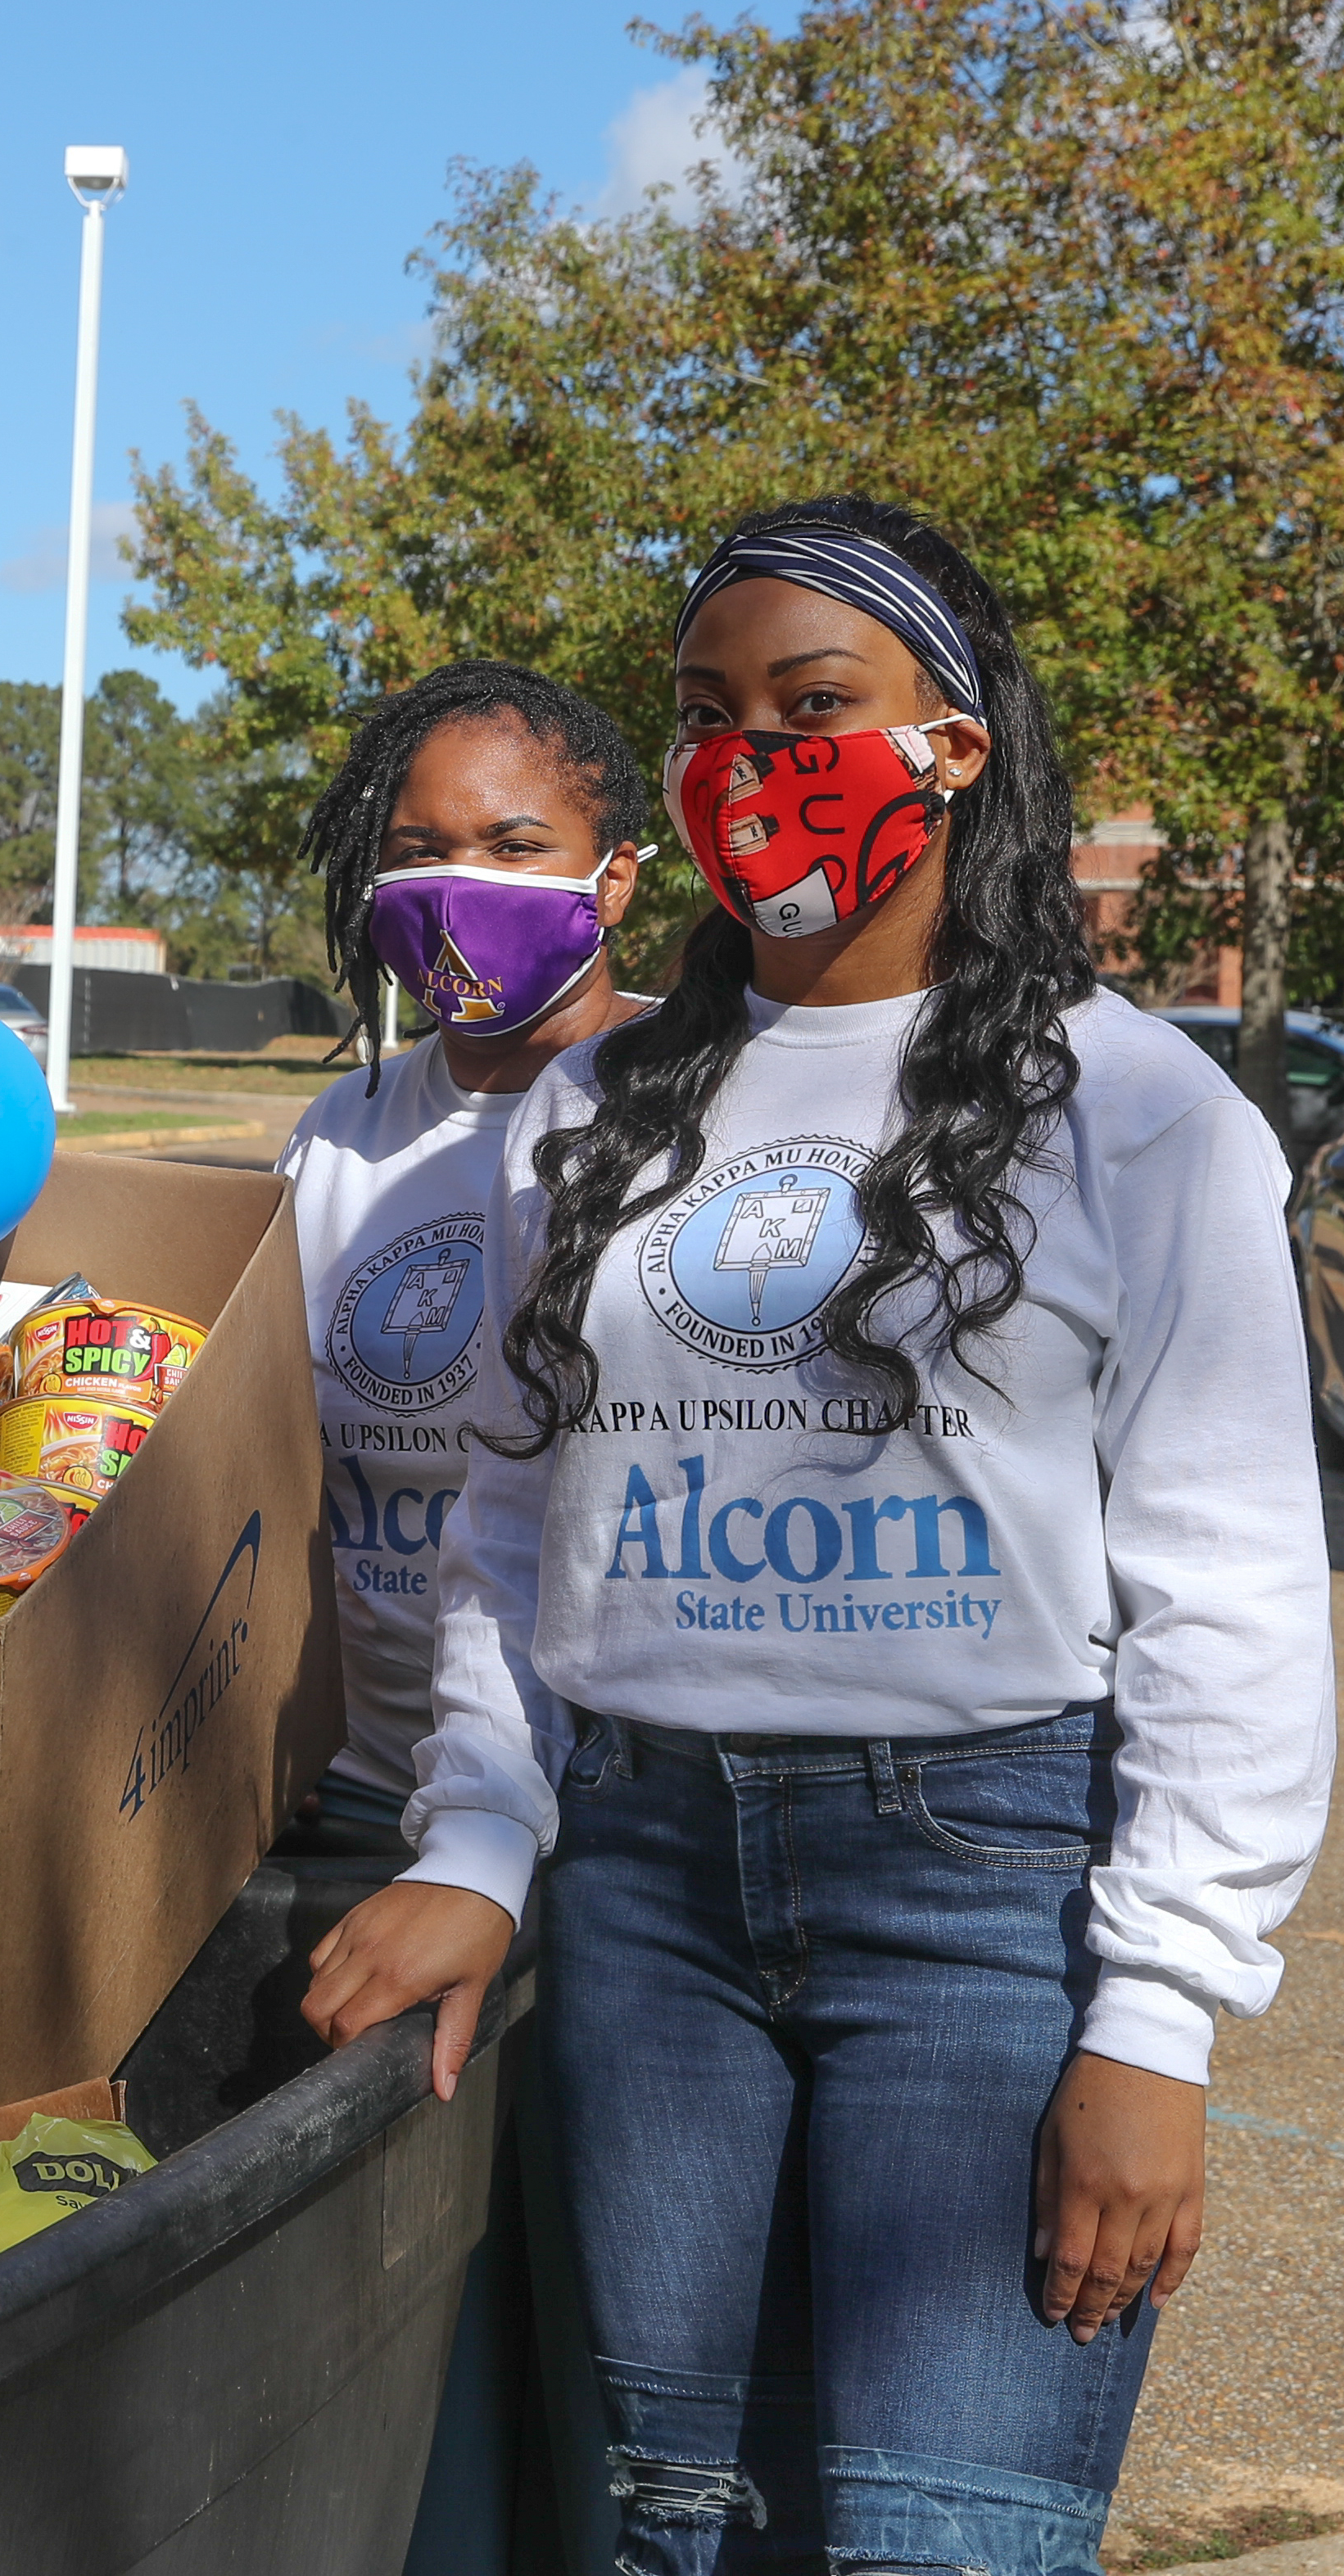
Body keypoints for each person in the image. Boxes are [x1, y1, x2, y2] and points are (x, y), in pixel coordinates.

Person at [303, 500, 1336, 2574]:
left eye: (813, 704)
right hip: (648, 1893)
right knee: (683, 2534)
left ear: (950, 743)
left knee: (942, 2541)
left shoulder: (1131, 1110)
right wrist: (477, 1843)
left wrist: (1154, 2023)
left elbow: (1229, 1587)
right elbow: (515, 1523)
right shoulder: (590, 1119)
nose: (747, 758)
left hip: (987, 1896)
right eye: (704, 713)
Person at [278, 659, 651, 2576]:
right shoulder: (340, 1138)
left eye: (515, 845)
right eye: (418, 852)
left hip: (610, 1843)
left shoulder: (683, 1105)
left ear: (618, 877)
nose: (457, 888)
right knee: (417, 2344)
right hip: (368, 1813)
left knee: (604, 2343)